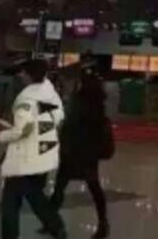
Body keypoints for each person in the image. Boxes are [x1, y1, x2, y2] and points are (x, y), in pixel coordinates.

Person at [0, 59, 66, 239]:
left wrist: (2, 134)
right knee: (34, 195)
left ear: (28, 75)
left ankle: (11, 236)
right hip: (44, 153)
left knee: (10, 202)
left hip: (25, 159)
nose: (21, 75)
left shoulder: (26, 98)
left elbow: (22, 130)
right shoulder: (50, 92)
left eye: (23, 72)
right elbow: (57, 118)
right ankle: (56, 226)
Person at [48, 72, 112, 239]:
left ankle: (50, 221)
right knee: (94, 187)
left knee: (60, 185)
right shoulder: (98, 104)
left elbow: (70, 124)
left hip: (73, 152)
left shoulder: (78, 102)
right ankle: (103, 222)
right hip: (89, 153)